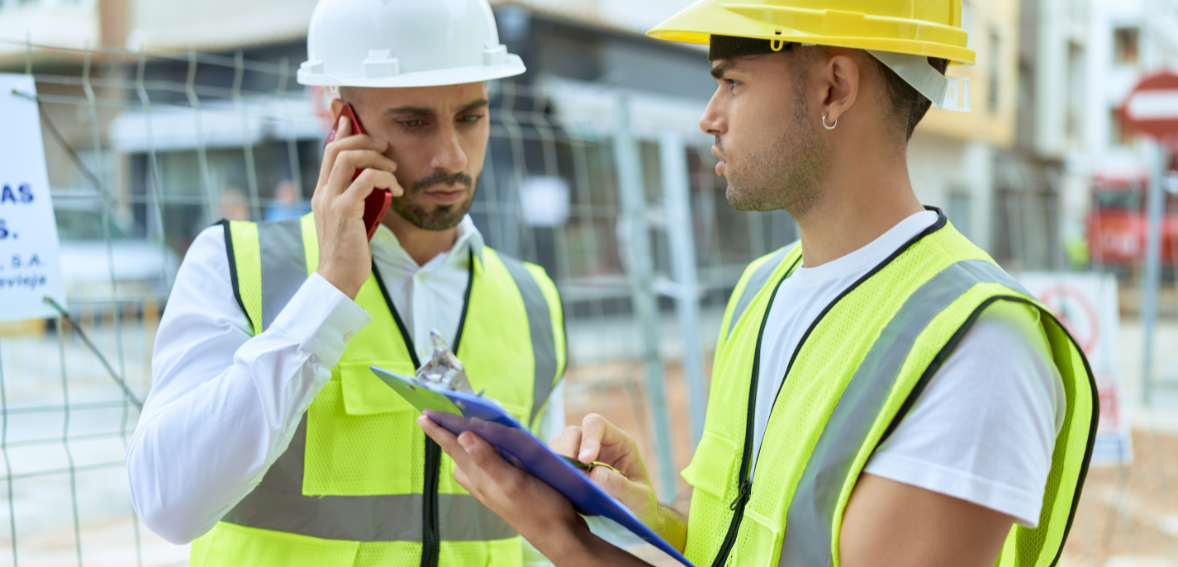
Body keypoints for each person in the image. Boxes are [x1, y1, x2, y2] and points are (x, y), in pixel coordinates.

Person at [419, 1, 1099, 566]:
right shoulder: (762, 287)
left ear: (835, 86)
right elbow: (731, 539)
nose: (709, 115)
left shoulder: (978, 346)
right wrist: (638, 511)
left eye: (734, 82)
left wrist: (568, 542)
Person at [127, 1, 568, 565]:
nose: (452, 156)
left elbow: (529, 539)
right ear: (343, 123)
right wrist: (328, 294)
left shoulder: (532, 299)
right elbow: (169, 506)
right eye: (414, 122)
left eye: (470, 116)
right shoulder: (238, 265)